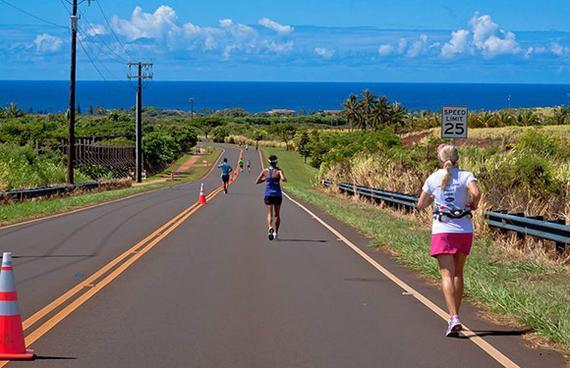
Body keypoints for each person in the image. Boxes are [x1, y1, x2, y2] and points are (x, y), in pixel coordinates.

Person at [417, 144, 481, 337]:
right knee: (458, 273)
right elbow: (477, 193)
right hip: (464, 230)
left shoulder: (433, 178)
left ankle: (453, 317)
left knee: (446, 275)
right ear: (457, 158)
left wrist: (432, 201)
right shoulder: (466, 175)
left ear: (440, 159)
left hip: (442, 230)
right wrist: (473, 205)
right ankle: (455, 315)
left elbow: (420, 204)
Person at [256, 155, 287, 240]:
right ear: (276, 162)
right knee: (277, 214)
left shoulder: (265, 171)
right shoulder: (279, 171)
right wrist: (282, 178)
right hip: (277, 194)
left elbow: (257, 181)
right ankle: (276, 233)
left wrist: (266, 179)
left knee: (269, 213)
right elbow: (284, 179)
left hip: (268, 194)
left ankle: (270, 227)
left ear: (269, 162)